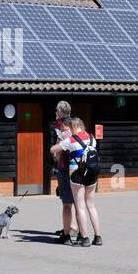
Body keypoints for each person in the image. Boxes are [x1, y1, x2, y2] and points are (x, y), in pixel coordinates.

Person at [59, 117, 102, 247]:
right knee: (91, 205)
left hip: (77, 175)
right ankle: (98, 236)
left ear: (73, 127)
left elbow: (55, 150)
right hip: (92, 172)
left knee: (80, 206)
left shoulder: (71, 139)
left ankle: (84, 238)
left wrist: (60, 143)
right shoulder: (92, 138)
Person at [49, 101, 78, 245]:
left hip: (65, 168)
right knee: (77, 202)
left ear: (61, 111)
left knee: (67, 202)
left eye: (56, 109)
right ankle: (75, 229)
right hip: (76, 168)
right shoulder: (75, 126)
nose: (55, 112)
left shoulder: (64, 127)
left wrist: (55, 155)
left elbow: (57, 151)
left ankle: (69, 231)